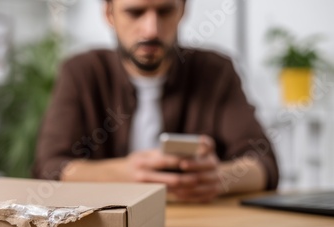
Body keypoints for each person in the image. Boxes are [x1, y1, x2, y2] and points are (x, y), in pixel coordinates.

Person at [33, 0, 279, 203]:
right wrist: (126, 174)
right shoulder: (82, 72)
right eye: (135, 12)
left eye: (165, 11)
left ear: (183, 9)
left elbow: (264, 163)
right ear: (109, 13)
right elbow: (49, 168)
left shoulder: (215, 72)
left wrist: (219, 178)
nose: (151, 29)